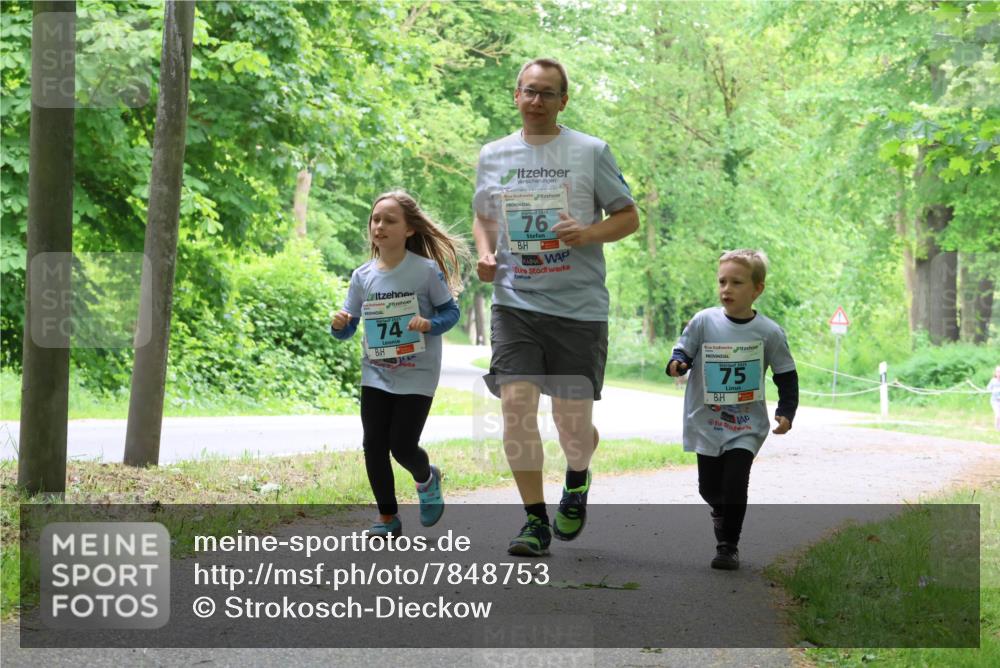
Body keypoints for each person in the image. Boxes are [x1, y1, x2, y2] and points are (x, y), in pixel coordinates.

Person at [472, 57, 639, 556]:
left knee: (571, 425)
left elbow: (628, 217)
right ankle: (533, 521)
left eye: (547, 93)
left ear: (563, 100)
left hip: (578, 308)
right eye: (529, 91)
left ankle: (578, 477)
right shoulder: (494, 154)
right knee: (517, 408)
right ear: (516, 95)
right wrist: (484, 252)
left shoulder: (590, 151)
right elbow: (484, 216)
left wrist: (587, 234)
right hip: (516, 302)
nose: (536, 101)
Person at [331, 190, 468, 537]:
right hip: (375, 372)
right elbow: (349, 327)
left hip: (417, 373)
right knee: (373, 443)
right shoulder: (362, 276)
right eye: (375, 220)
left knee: (402, 445)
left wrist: (428, 324)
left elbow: (450, 312)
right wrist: (340, 324)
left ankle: (426, 476)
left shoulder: (424, 271)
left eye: (389, 220)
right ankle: (387, 517)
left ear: (409, 229)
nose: (379, 226)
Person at [666, 249, 799, 570]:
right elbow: (682, 350)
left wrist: (786, 410)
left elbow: (786, 374)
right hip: (706, 420)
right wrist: (677, 364)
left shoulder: (769, 332)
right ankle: (722, 513)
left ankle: (728, 545)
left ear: (757, 289)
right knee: (709, 488)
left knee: (736, 482)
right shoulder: (703, 321)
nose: (727, 289)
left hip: (746, 424)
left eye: (737, 282)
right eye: (722, 281)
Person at [988, 365, 1000, 431]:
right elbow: (988, 389)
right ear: (996, 373)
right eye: (998, 371)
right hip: (994, 401)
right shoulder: (993, 381)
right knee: (998, 415)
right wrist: (993, 390)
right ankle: (996, 429)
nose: (999, 373)